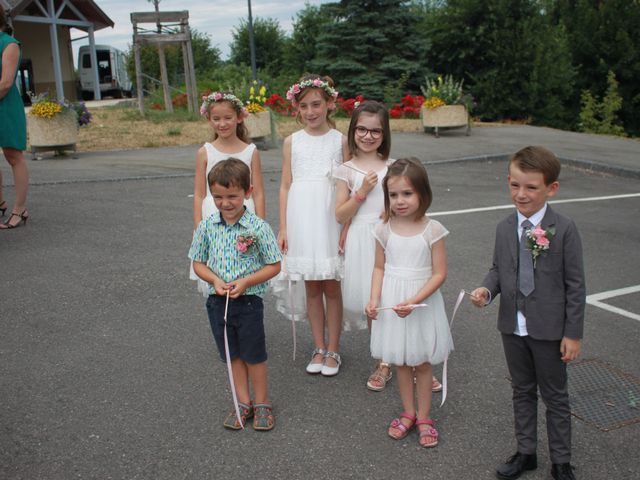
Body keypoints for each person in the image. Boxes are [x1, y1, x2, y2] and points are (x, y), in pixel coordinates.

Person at [470, 146, 585, 480]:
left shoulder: (563, 228)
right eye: (515, 185)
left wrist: (573, 333)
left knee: (555, 397)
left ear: (551, 188)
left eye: (531, 187)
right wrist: (486, 290)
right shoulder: (505, 227)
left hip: (550, 330)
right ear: (508, 181)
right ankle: (526, 452)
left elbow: (575, 285)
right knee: (522, 391)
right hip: (512, 326)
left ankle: (561, 461)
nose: (521, 194)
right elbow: (498, 270)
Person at [365, 157, 453, 448]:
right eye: (393, 195)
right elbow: (379, 268)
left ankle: (425, 416)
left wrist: (413, 301)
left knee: (423, 362)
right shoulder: (383, 230)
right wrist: (375, 299)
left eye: (407, 193)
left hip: (421, 303)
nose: (400, 201)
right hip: (392, 301)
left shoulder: (433, 230)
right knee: (401, 361)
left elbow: (439, 273)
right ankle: (409, 412)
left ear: (422, 194)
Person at [188, 158, 281, 431]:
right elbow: (198, 262)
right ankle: (243, 401)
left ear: (247, 193)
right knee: (232, 355)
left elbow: (274, 265)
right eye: (218, 197)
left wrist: (246, 281)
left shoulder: (258, 227)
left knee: (254, 354)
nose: (225, 203)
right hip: (218, 302)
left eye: (232, 196)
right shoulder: (206, 226)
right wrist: (214, 280)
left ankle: (262, 402)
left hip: (249, 301)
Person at [277, 74, 349, 376]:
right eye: (304, 106)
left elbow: (347, 181)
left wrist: (345, 227)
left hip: (328, 217)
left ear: (330, 103)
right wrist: (283, 227)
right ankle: (318, 346)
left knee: (332, 287)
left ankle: (334, 349)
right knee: (311, 287)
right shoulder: (292, 142)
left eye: (317, 104)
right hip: (301, 219)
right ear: (297, 108)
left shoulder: (340, 140)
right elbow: (285, 185)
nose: (311, 112)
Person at [190, 91, 266, 294]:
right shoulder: (205, 152)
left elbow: (258, 192)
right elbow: (199, 193)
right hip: (213, 213)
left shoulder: (250, 151)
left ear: (239, 118)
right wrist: (198, 227)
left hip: (244, 215)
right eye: (216, 119)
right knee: (217, 267)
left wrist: (260, 226)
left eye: (227, 118)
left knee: (243, 264)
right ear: (209, 120)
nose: (222, 124)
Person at [0, 6, 29, 229]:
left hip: (5, 106)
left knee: (13, 156)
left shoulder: (9, 44)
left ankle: (20, 209)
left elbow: (6, 83)